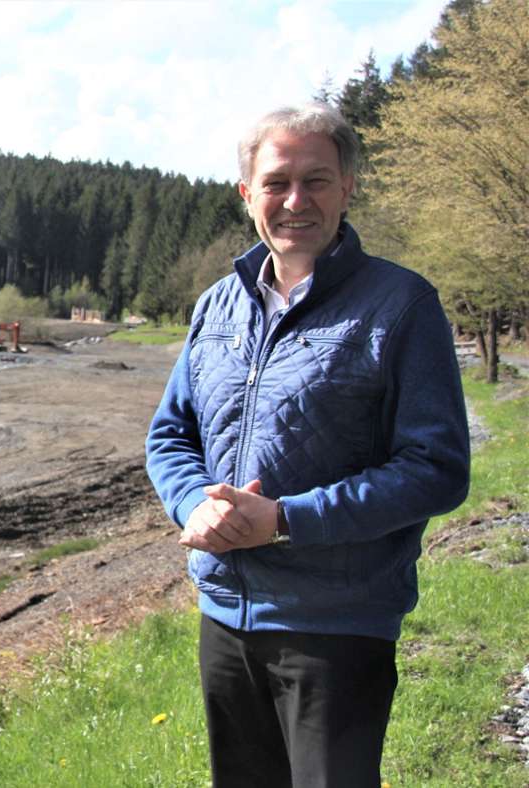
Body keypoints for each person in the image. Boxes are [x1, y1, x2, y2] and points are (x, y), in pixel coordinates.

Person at [144, 102, 470, 788]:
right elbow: (172, 433)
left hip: (338, 626)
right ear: (247, 194)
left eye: (317, 180)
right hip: (225, 619)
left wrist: (285, 521)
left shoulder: (403, 305)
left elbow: (436, 469)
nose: (296, 200)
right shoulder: (216, 307)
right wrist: (193, 507)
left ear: (348, 187)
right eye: (276, 182)